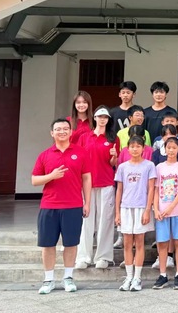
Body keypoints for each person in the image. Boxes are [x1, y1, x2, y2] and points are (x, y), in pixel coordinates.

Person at [32, 119, 92, 295]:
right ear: (52, 133)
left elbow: (87, 178)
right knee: (47, 244)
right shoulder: (45, 155)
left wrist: (87, 202)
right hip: (49, 206)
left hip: (73, 205)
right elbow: (34, 180)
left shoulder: (81, 153)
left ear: (71, 132)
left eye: (66, 129)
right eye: (58, 129)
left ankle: (68, 277)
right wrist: (51, 176)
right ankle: (48, 279)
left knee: (71, 244)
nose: (62, 132)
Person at [76, 106, 118, 270]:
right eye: (100, 116)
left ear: (108, 120)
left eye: (105, 117)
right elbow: (79, 160)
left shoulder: (113, 138)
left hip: (106, 182)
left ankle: (103, 256)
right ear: (94, 118)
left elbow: (113, 163)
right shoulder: (85, 137)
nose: (102, 119)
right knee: (86, 221)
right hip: (87, 184)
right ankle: (83, 257)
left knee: (105, 221)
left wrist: (114, 157)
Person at [115, 136, 156, 292]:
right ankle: (129, 277)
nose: (135, 149)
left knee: (139, 242)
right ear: (127, 148)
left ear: (143, 148)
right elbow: (119, 190)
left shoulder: (149, 165)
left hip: (141, 207)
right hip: (126, 207)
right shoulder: (122, 167)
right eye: (132, 146)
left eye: (138, 146)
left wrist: (148, 210)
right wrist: (117, 212)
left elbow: (151, 189)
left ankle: (137, 278)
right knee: (127, 243)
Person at [152, 137, 178, 290]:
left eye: (174, 148)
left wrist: (171, 207)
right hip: (161, 211)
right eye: (169, 148)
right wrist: (156, 208)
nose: (171, 150)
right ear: (164, 149)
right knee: (162, 243)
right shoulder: (159, 167)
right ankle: (163, 274)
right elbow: (155, 189)